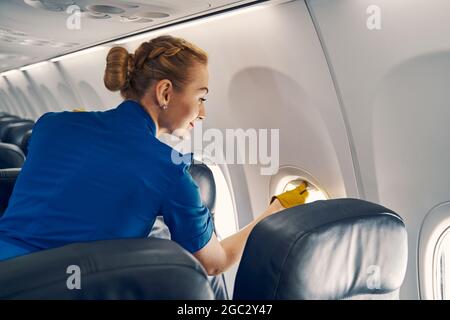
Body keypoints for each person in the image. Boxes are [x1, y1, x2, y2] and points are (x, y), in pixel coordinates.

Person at [0, 35, 308, 284]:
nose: (203, 112)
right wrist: (275, 210)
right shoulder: (168, 168)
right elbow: (215, 263)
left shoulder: (51, 123)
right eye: (200, 98)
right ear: (164, 92)